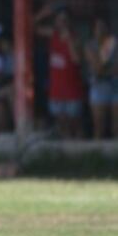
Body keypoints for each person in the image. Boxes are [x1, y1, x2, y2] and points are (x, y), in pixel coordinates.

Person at [35, 7, 83, 138]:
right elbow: (32, 27)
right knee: (61, 124)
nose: (62, 23)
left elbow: (77, 60)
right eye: (60, 20)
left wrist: (69, 41)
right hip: (56, 89)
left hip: (72, 89)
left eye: (65, 20)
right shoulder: (53, 34)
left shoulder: (75, 38)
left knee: (75, 124)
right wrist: (42, 14)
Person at [84, 16, 117, 139]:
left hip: (115, 86)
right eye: (98, 27)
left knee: (116, 126)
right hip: (98, 86)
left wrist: (102, 68)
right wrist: (106, 68)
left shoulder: (114, 43)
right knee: (99, 126)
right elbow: (97, 68)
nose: (101, 30)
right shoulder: (89, 45)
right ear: (93, 29)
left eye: (103, 27)